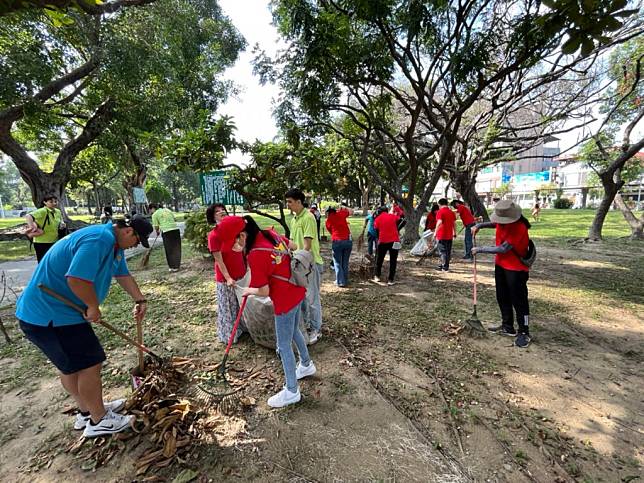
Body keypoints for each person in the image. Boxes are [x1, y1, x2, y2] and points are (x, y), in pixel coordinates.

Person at [15, 217, 153, 437]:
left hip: (51, 315)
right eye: (137, 241)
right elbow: (76, 280)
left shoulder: (112, 243)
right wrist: (92, 306)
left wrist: (140, 300)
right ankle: (99, 420)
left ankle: (87, 412)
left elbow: (122, 274)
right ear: (128, 232)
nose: (135, 246)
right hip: (51, 316)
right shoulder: (99, 239)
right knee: (89, 364)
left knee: (71, 366)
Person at [217, 215, 317, 408]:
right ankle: (306, 364)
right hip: (297, 289)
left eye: (234, 242)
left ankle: (292, 391)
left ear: (242, 235)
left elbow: (264, 291)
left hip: (284, 300)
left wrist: (248, 290)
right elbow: (294, 246)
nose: (234, 247)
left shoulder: (255, 253)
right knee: (294, 329)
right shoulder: (270, 233)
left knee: (283, 345)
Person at [471, 200, 532, 348]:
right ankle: (507, 326)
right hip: (501, 265)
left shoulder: (519, 227)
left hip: (516, 270)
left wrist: (480, 249)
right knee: (502, 296)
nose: (499, 222)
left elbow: (503, 248)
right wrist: (479, 225)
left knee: (519, 300)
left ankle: (524, 331)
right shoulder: (503, 222)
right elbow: (494, 224)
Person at [285, 188, 323, 344]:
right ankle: (307, 325)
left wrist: (296, 259)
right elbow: (294, 243)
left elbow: (307, 245)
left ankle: (316, 329)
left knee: (312, 298)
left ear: (299, 202)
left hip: (309, 263)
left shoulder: (308, 217)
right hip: (299, 264)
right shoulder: (295, 219)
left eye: (290, 202)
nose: (287, 205)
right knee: (302, 299)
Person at [206, 204, 247, 344]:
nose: (221, 212)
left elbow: (242, 249)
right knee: (228, 307)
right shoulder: (214, 236)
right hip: (226, 278)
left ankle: (243, 329)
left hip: (241, 274)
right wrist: (228, 278)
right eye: (217, 212)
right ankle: (229, 335)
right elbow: (219, 260)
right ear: (212, 217)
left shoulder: (235, 230)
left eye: (222, 209)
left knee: (241, 304)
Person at [25, 194, 66, 263]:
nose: (54, 203)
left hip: (54, 241)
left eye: (55, 201)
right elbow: (28, 216)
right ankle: (42, 274)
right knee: (42, 262)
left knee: (54, 261)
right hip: (42, 243)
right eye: (51, 202)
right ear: (45, 202)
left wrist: (62, 224)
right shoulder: (43, 211)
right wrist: (31, 227)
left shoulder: (58, 211)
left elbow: (60, 220)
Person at [325, 205, 353, 287]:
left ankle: (340, 281)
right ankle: (345, 279)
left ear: (328, 213)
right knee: (345, 261)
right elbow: (351, 211)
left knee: (337, 262)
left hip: (337, 241)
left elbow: (331, 232)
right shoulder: (341, 213)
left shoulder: (328, 221)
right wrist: (344, 207)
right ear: (335, 211)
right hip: (348, 241)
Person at [373, 206, 400, 285]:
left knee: (379, 259)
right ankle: (391, 279)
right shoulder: (393, 216)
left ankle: (377, 276)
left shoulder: (377, 219)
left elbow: (376, 230)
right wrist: (397, 229)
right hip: (395, 241)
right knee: (393, 260)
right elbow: (401, 220)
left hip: (383, 241)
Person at [149, 203, 181, 271]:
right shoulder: (168, 210)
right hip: (175, 230)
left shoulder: (154, 214)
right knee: (176, 248)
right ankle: (177, 266)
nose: (151, 212)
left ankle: (172, 266)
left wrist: (157, 232)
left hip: (167, 232)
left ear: (152, 208)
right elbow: (174, 219)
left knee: (169, 249)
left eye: (150, 210)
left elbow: (156, 227)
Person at [434, 198, 456, 272]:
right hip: (449, 234)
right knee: (447, 251)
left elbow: (439, 222)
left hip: (441, 234)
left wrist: (435, 232)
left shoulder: (440, 212)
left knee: (442, 251)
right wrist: (454, 232)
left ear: (439, 204)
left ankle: (444, 267)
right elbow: (454, 223)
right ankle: (443, 265)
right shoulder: (451, 212)